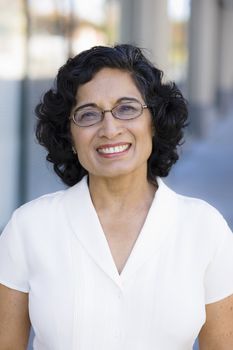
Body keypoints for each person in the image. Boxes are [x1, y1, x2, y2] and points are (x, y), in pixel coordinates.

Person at [0, 44, 233, 350]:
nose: (109, 129)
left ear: (154, 122)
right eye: (88, 114)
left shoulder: (206, 228)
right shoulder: (28, 228)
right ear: (69, 135)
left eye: (127, 108)